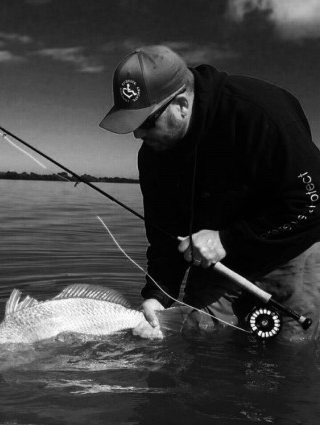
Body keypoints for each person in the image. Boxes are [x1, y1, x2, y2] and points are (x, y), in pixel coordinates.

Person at [100, 45, 320, 342]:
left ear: (181, 104)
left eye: (147, 122)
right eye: (133, 126)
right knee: (192, 336)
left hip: (288, 250)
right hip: (212, 260)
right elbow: (164, 237)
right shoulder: (153, 153)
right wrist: (156, 297)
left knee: (289, 348)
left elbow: (312, 201)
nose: (138, 135)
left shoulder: (261, 113)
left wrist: (227, 238)